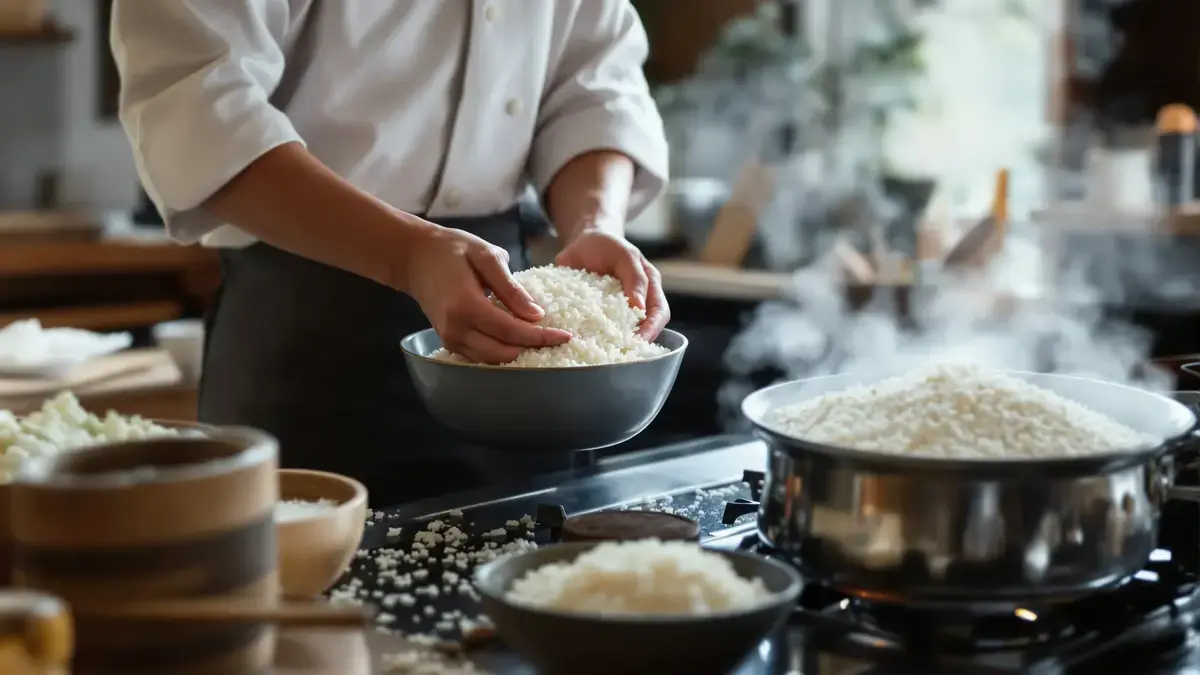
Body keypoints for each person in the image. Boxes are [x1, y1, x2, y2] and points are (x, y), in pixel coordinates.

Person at [110, 0, 670, 507]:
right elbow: (196, 101)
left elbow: (594, 90)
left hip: (520, 337)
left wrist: (595, 223)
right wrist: (407, 253)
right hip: (309, 330)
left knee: (534, 579)